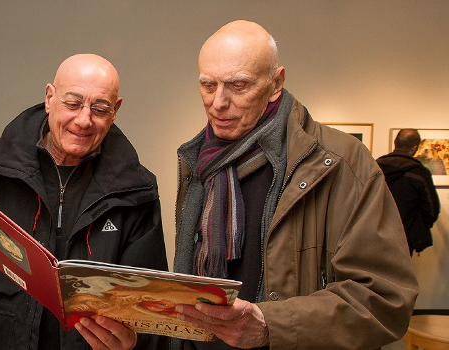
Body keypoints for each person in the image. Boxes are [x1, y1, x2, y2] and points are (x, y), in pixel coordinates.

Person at [172, 21, 418, 349]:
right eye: (207, 85)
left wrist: (270, 325)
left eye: (239, 85)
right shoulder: (197, 162)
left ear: (276, 83)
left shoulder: (342, 162)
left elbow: (385, 299)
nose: (218, 102)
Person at [0, 54, 168, 350]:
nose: (84, 120)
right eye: (72, 103)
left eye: (100, 109)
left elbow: (153, 310)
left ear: (116, 110)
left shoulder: (137, 190)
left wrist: (134, 342)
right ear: (49, 97)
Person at [377, 129, 441, 255]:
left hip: (377, 232)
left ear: (396, 143)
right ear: (415, 148)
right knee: (401, 272)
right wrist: (419, 227)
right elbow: (432, 209)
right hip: (406, 234)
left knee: (377, 271)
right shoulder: (419, 173)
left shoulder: (375, 167)